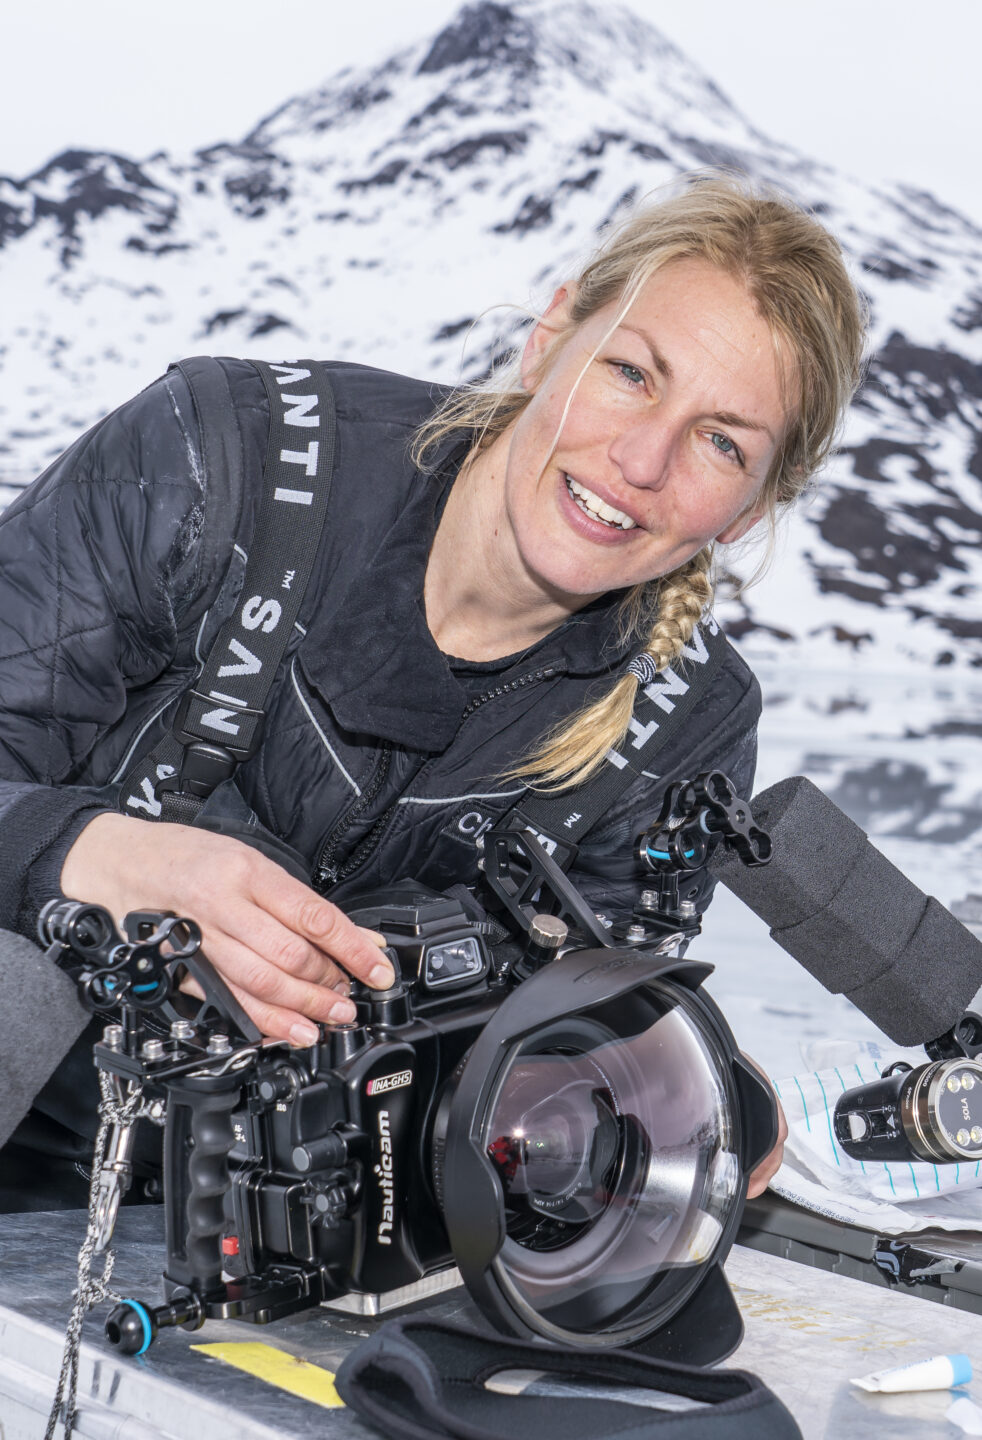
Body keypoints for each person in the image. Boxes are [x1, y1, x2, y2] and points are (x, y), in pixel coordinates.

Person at [0, 174, 866, 1210]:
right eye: (631, 373)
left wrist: (648, 1076)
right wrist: (92, 854)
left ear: (750, 509)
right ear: (551, 338)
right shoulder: (223, 459)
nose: (643, 461)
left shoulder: (686, 724)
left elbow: (548, 1062)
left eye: (722, 442)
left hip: (267, 1223)